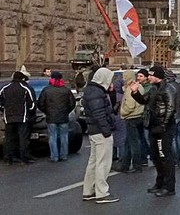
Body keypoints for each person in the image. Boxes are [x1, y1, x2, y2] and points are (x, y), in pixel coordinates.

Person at [130, 66, 177, 197]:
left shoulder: (168, 89)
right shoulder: (153, 89)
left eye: (151, 75)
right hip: (153, 126)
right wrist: (135, 93)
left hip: (163, 128)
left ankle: (169, 187)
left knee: (165, 157)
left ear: (158, 76)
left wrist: (163, 126)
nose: (148, 77)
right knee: (156, 157)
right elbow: (144, 101)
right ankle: (160, 183)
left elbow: (171, 109)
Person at [81, 67, 119, 204]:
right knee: (103, 163)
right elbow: (99, 114)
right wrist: (106, 131)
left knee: (94, 162)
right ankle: (102, 193)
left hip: (94, 131)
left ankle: (88, 190)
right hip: (100, 131)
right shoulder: (96, 93)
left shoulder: (91, 90)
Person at [38, 71, 76, 163]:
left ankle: (54, 156)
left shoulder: (46, 90)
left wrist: (47, 111)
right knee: (64, 136)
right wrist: (66, 111)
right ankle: (64, 155)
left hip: (51, 117)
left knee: (52, 137)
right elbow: (72, 103)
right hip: (63, 117)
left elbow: (40, 104)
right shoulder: (66, 90)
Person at [0, 71, 36, 165]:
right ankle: (24, 158)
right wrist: (30, 113)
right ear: (22, 78)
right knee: (22, 138)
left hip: (8, 117)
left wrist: (3, 109)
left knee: (9, 138)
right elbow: (32, 104)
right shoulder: (25, 88)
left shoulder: (5, 88)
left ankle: (8, 159)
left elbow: (0, 102)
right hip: (22, 117)